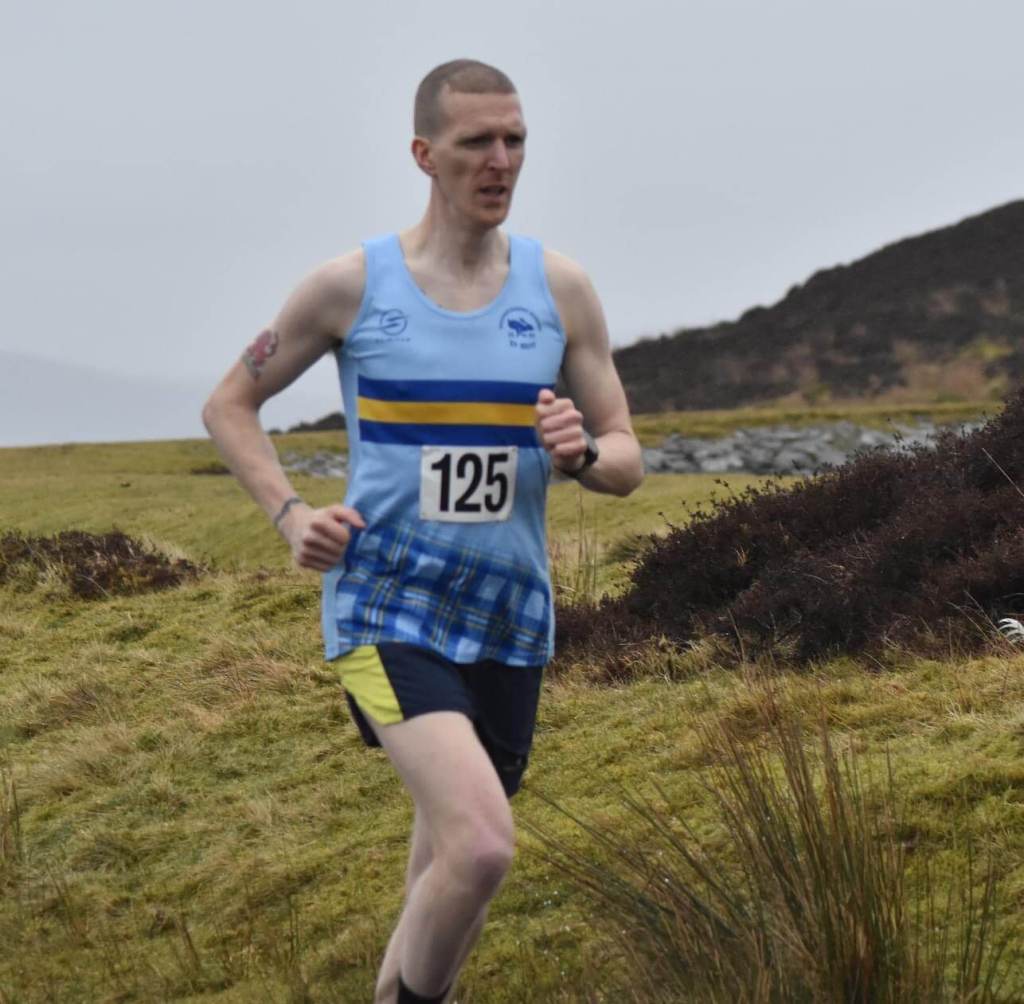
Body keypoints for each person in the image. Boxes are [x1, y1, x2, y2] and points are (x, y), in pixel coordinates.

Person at [202, 58, 643, 1004]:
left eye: (514, 139)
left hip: (511, 619)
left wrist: (580, 455)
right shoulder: (349, 287)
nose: (500, 160)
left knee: (447, 863)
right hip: (377, 613)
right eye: (476, 141)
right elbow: (230, 403)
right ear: (423, 154)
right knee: (481, 848)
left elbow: (626, 457)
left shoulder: (560, 290)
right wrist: (291, 514)